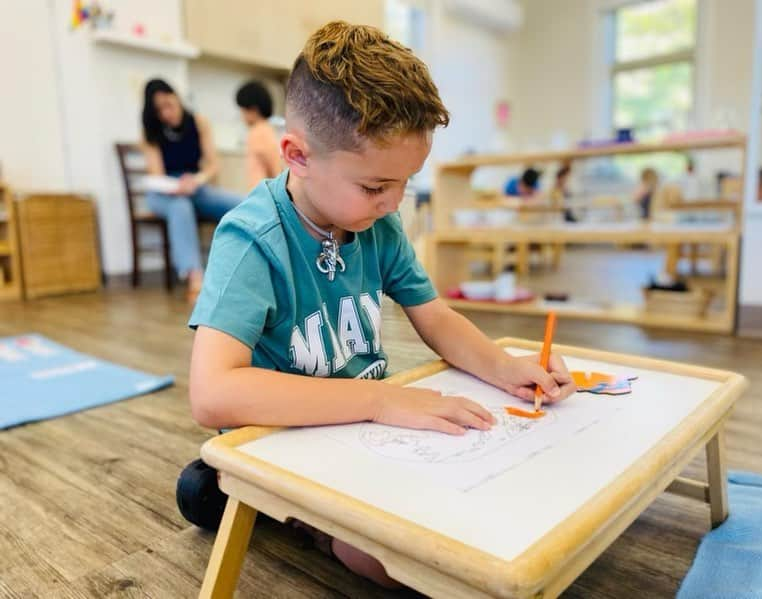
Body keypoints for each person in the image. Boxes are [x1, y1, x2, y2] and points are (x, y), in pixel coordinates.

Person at [188, 21, 576, 588]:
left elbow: (436, 316)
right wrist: (377, 400)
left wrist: (506, 367)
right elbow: (213, 393)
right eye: (375, 187)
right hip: (288, 433)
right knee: (392, 562)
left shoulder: (378, 225)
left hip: (363, 426)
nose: (393, 203)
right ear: (297, 155)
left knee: (471, 518)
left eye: (406, 183)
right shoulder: (250, 240)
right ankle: (296, 520)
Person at [140, 79, 243, 301]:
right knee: (181, 207)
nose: (166, 112)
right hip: (164, 192)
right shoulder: (150, 134)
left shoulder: (199, 123)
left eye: (168, 104)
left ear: (176, 97)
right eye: (159, 110)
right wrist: (176, 187)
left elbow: (213, 165)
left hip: (195, 184)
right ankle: (196, 279)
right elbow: (157, 174)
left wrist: (196, 180)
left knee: (241, 203)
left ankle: (247, 270)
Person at [235, 80, 283, 189]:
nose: (241, 116)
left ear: (253, 110)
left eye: (242, 111)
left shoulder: (257, 132)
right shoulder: (266, 129)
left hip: (261, 196)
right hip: (263, 194)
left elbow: (275, 169)